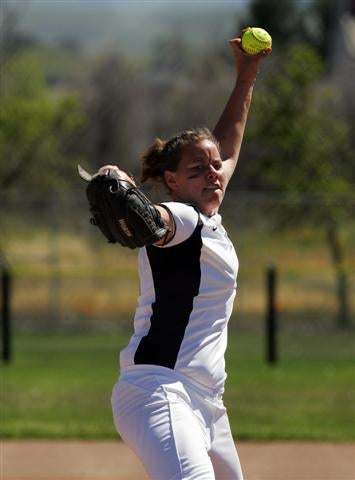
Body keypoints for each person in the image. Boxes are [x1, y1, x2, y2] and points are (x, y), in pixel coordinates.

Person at [107, 35, 271, 480]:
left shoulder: (208, 212)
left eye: (215, 166)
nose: (213, 174)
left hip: (207, 404)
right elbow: (156, 222)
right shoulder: (183, 217)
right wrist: (129, 200)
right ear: (172, 181)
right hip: (160, 392)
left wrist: (247, 74)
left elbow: (229, 148)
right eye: (197, 170)